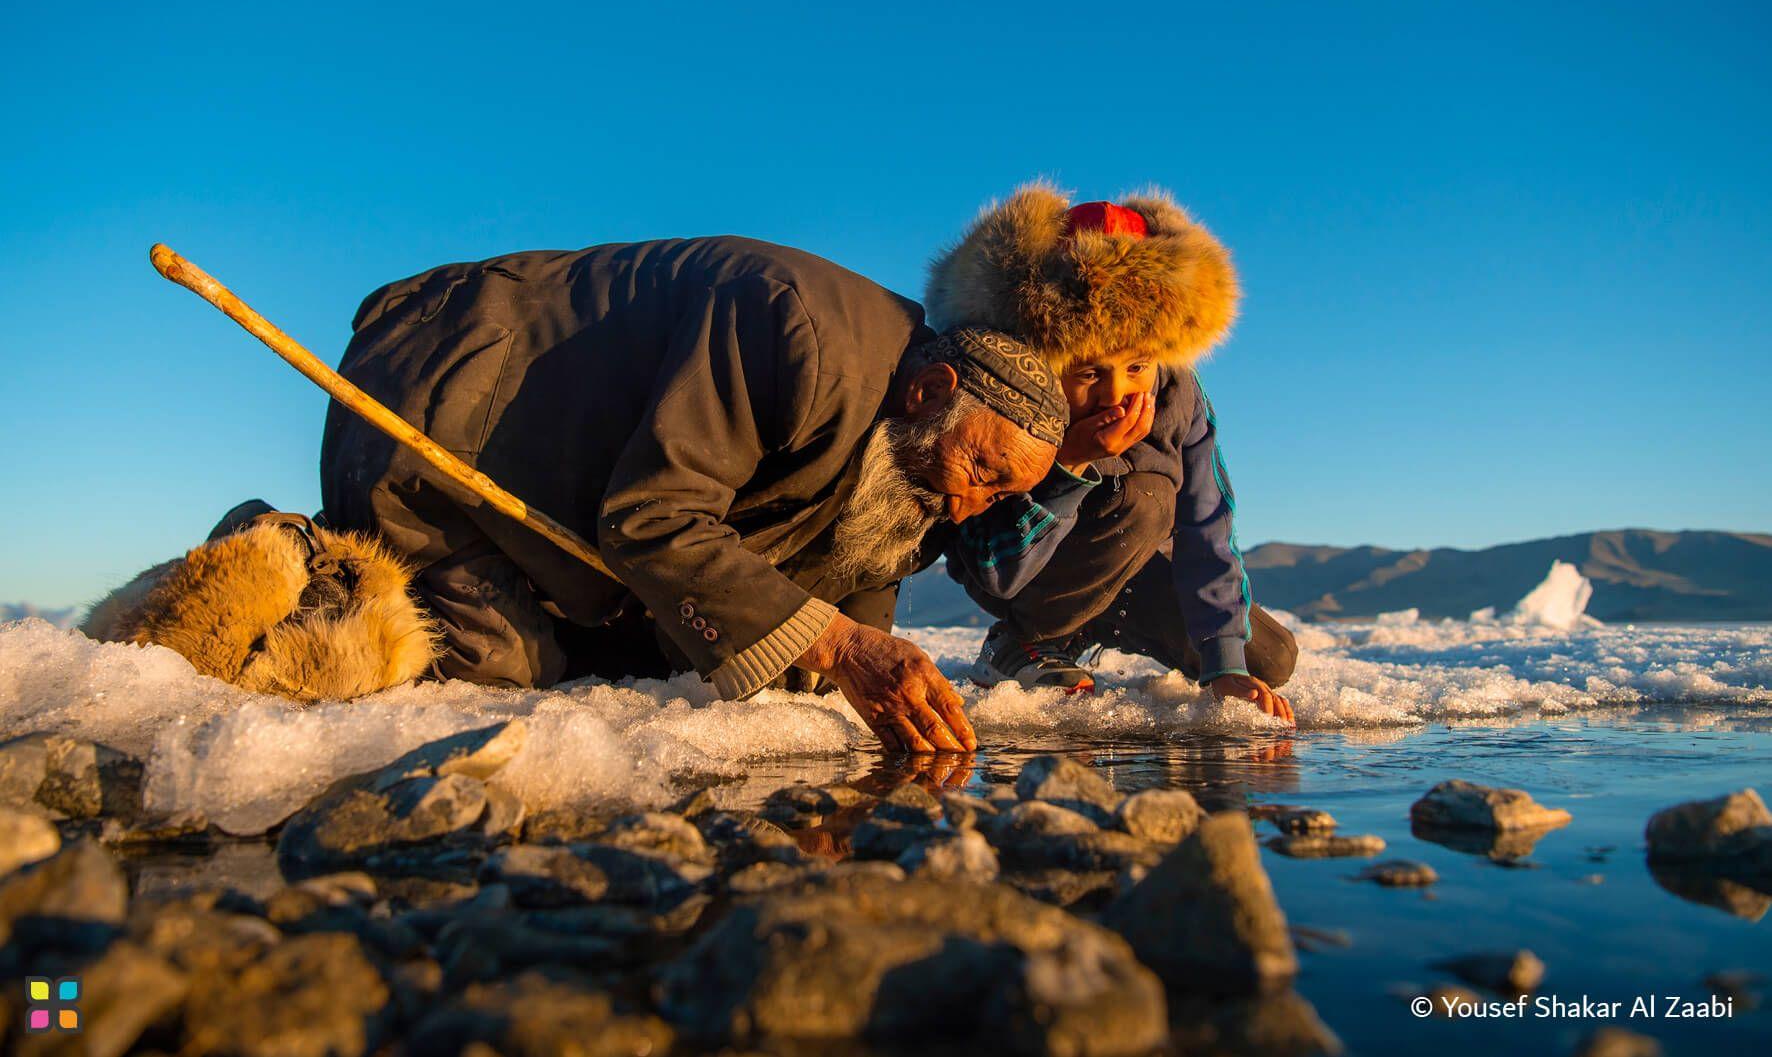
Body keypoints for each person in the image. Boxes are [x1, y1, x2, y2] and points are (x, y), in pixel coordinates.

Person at [318, 234, 1073, 751]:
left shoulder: (919, 449)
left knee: (651, 676)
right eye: (985, 473)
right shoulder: (794, 332)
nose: (974, 507)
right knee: (508, 691)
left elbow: (863, 569)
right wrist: (844, 649)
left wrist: (851, 682)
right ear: (930, 390)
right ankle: (294, 555)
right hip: (435, 414)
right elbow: (654, 518)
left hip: (564, 489)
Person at [925, 185, 1298, 723]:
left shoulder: (1178, 396)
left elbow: (1207, 525)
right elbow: (992, 570)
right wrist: (1071, 463)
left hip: (1126, 566)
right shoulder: (1008, 393)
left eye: (1136, 366)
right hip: (1021, 572)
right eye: (1089, 372)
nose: (1116, 393)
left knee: (1269, 658)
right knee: (1142, 498)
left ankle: (1086, 629)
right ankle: (1022, 642)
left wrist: (1224, 666)